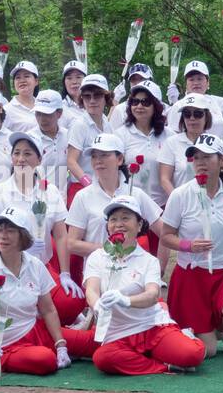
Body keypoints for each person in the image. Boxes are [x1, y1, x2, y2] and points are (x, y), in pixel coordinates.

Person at [0, 207, 98, 375]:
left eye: (10, 231)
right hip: (4, 343)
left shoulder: (34, 264)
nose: (2, 235)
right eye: (0, 230)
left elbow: (48, 309)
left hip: (36, 330)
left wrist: (61, 345)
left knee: (92, 343)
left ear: (23, 235)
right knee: (44, 360)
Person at [86, 197, 206, 375]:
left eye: (125, 218)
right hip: (118, 333)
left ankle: (183, 336)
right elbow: (91, 289)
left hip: (151, 327)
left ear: (140, 224)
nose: (119, 224)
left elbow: (152, 295)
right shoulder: (97, 256)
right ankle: (164, 366)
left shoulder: (149, 261)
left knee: (193, 354)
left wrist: (125, 300)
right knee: (103, 359)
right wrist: (97, 305)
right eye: (113, 219)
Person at [159, 133, 223, 355]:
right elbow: (166, 236)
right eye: (196, 157)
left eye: (207, 157)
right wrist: (188, 245)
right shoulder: (181, 194)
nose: (200, 163)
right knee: (207, 351)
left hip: (222, 274)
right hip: (191, 277)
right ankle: (213, 334)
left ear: (221, 161)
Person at [0, 131, 84, 324]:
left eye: (28, 154)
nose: (21, 159)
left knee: (72, 302)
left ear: (39, 159)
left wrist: (64, 273)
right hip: (7, 267)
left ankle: (44, 318)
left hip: (40, 268)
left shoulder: (50, 191)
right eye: (17, 153)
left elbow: (61, 235)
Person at [65, 133, 163, 301]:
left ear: (119, 159)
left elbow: (164, 233)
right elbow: (71, 243)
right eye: (94, 156)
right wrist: (108, 251)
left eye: (104, 155)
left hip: (135, 277)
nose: (98, 161)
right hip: (99, 277)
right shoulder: (83, 196)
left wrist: (157, 270)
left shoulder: (135, 193)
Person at [118, 79, 168, 208]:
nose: (139, 106)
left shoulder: (169, 135)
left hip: (162, 206)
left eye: (145, 102)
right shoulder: (120, 135)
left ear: (156, 106)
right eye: (135, 102)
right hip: (132, 207)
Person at [65, 73, 114, 202]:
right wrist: (89, 184)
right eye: (87, 96)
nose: (92, 101)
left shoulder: (106, 123)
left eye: (97, 95)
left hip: (103, 187)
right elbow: (71, 161)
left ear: (106, 97)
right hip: (82, 188)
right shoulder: (79, 125)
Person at [159, 93, 211, 198]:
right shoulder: (171, 143)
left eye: (197, 114)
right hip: (182, 205)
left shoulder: (215, 143)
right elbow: (165, 179)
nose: (192, 118)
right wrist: (179, 201)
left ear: (206, 116)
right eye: (187, 114)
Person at [165, 60, 223, 137]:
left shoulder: (214, 101)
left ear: (208, 82)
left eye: (200, 79)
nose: (196, 83)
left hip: (218, 148)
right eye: (191, 79)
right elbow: (172, 137)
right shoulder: (178, 106)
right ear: (186, 84)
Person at [5, 60, 40, 134]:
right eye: (18, 77)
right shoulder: (7, 110)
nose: (22, 80)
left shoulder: (42, 105)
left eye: (26, 76)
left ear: (36, 81)